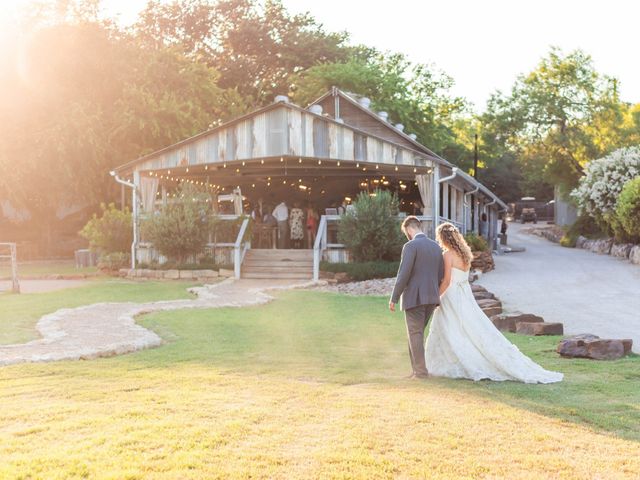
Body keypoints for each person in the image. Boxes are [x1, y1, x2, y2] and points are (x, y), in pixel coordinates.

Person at [424, 222, 563, 384]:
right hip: (465, 294)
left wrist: (436, 297)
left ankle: (456, 361)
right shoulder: (465, 255)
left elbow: (447, 281)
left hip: (452, 294)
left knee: (450, 327)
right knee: (468, 327)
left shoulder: (447, 255)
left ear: (443, 238)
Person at [389, 216, 444, 379]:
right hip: (432, 299)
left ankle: (420, 372)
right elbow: (440, 275)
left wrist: (394, 297)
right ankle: (416, 370)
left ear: (408, 229)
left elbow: (403, 274)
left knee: (415, 334)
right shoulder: (436, 247)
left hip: (414, 297)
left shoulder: (410, 246)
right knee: (416, 333)